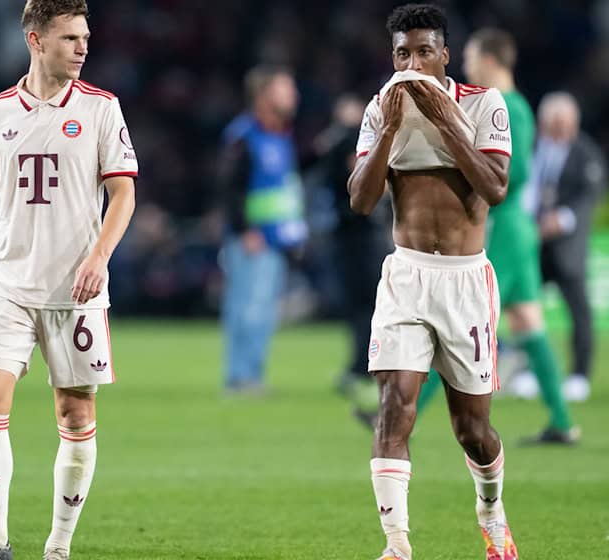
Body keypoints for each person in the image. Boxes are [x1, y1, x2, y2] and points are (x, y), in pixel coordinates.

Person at [0, 1, 137, 558]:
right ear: (35, 40)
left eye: (85, 37)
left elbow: (123, 191)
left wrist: (99, 257)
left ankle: (58, 546)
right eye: (71, 37)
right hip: (8, 283)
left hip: (77, 289)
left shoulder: (101, 108)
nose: (83, 47)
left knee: (75, 413)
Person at [348, 5, 518, 559]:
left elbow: (494, 188)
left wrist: (445, 120)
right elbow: (361, 199)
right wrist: (393, 127)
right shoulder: (381, 109)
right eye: (402, 53)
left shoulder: (483, 104)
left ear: (445, 54)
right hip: (407, 275)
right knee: (395, 404)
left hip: (465, 282)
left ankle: (491, 510)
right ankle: (397, 545)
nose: (413, 64)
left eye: (424, 51)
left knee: (473, 430)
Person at [414, 28, 579, 444]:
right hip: (516, 228)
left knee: (460, 320)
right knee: (529, 323)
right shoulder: (511, 105)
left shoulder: (507, 106)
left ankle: (404, 413)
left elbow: (517, 171)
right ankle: (562, 422)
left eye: (469, 55)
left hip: (504, 227)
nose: (464, 64)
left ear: (490, 59)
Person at [217, 65, 305, 393]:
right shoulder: (244, 135)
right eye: (286, 88)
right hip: (252, 239)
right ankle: (241, 377)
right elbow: (229, 187)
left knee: (263, 311)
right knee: (247, 309)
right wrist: (245, 230)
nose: (293, 95)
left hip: (276, 236)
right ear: (265, 95)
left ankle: (249, 374)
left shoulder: (281, 134)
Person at [316, 94, 393, 397]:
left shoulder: (346, 142)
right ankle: (363, 365)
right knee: (363, 305)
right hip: (358, 233)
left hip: (361, 235)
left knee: (366, 305)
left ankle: (367, 366)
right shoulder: (347, 142)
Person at [531, 92, 606, 403]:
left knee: (579, 312)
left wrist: (563, 218)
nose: (560, 129)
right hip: (534, 243)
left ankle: (578, 374)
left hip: (567, 247)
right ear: (544, 123)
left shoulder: (585, 152)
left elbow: (591, 194)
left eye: (565, 123)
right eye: (554, 123)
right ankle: (531, 371)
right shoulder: (534, 148)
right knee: (525, 309)